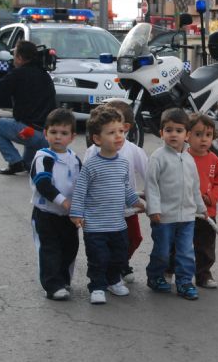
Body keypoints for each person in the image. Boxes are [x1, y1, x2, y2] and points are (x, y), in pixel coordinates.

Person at [70, 107, 145, 305]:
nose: (118, 136)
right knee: (98, 258)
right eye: (111, 133)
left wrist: (137, 203)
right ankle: (97, 286)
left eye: (121, 131)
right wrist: (76, 213)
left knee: (119, 256)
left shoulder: (122, 163)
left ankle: (113, 280)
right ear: (97, 139)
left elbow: (126, 187)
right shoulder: (91, 165)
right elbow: (80, 190)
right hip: (95, 226)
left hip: (118, 224)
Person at [145, 108, 208, 301]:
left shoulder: (189, 159)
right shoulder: (157, 157)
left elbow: (195, 186)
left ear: (187, 135)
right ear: (161, 132)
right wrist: (153, 209)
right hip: (163, 216)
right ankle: (155, 276)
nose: (174, 134)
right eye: (169, 130)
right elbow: (151, 186)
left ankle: (184, 282)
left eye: (179, 130)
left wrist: (201, 208)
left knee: (186, 252)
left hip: (187, 217)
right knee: (162, 251)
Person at [84, 100, 147, 284]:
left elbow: (149, 176)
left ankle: (119, 263)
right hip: (102, 212)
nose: (116, 134)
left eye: (118, 129)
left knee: (133, 239)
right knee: (101, 245)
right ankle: (102, 273)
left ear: (125, 127)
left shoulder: (134, 151)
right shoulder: (92, 152)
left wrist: (149, 202)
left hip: (127, 211)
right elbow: (85, 183)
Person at [29, 108, 81, 301]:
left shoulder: (74, 159)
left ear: (72, 136)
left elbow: (82, 184)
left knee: (70, 247)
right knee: (49, 250)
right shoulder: (43, 158)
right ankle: (52, 285)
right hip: (46, 214)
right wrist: (63, 201)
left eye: (64, 133)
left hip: (68, 216)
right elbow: (43, 184)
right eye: (54, 132)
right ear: (46, 133)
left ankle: (63, 279)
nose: (58, 137)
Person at [0, 40, 56, 175]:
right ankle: (25, 163)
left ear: (20, 58)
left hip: (29, 133)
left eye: (15, 54)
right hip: (47, 137)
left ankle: (15, 162)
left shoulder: (18, 74)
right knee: (29, 165)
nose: (13, 58)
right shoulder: (45, 75)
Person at [186, 113, 218, 289]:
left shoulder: (214, 160)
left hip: (206, 213)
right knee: (177, 244)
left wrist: (211, 198)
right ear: (187, 135)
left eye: (208, 135)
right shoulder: (181, 156)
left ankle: (203, 274)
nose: (203, 139)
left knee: (205, 246)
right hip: (183, 211)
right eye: (198, 134)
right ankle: (171, 270)